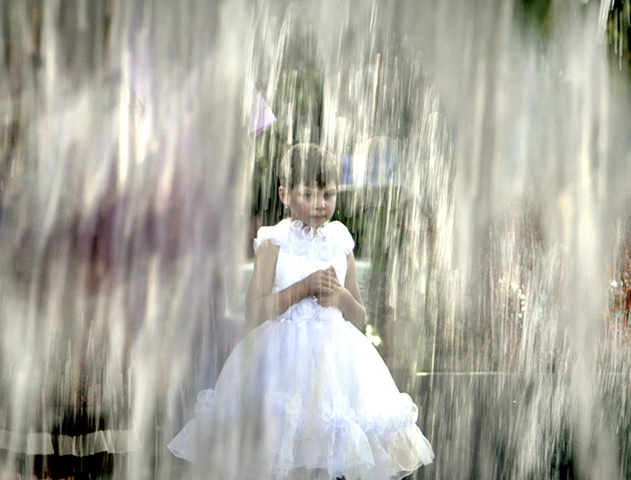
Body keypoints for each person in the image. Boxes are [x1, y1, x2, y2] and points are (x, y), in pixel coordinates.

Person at [168, 144, 434, 479]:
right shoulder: (274, 243)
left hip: (336, 366)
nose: (321, 204)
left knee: (330, 447)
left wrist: (339, 297)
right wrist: (303, 288)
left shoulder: (340, 243)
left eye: (329, 194)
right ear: (285, 194)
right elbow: (254, 311)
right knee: (287, 449)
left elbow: (360, 317)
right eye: (308, 194)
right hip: (282, 364)